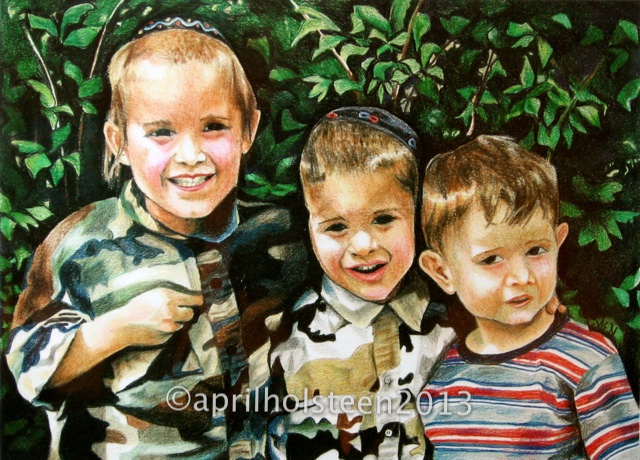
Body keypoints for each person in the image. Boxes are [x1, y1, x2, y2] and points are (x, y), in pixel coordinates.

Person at [6, 18, 307, 459]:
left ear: (248, 130)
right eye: (161, 132)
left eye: (214, 126)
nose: (191, 155)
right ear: (119, 143)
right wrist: (114, 330)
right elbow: (26, 365)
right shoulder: (83, 243)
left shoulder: (284, 233)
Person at [418, 135, 639, 459]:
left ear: (558, 242)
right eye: (491, 259)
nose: (522, 276)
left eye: (536, 250)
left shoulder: (587, 360)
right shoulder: (440, 374)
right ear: (442, 272)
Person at [267, 107, 457, 459]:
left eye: (383, 219)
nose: (363, 245)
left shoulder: (453, 328)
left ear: (416, 214)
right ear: (310, 227)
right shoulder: (287, 342)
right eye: (337, 227)